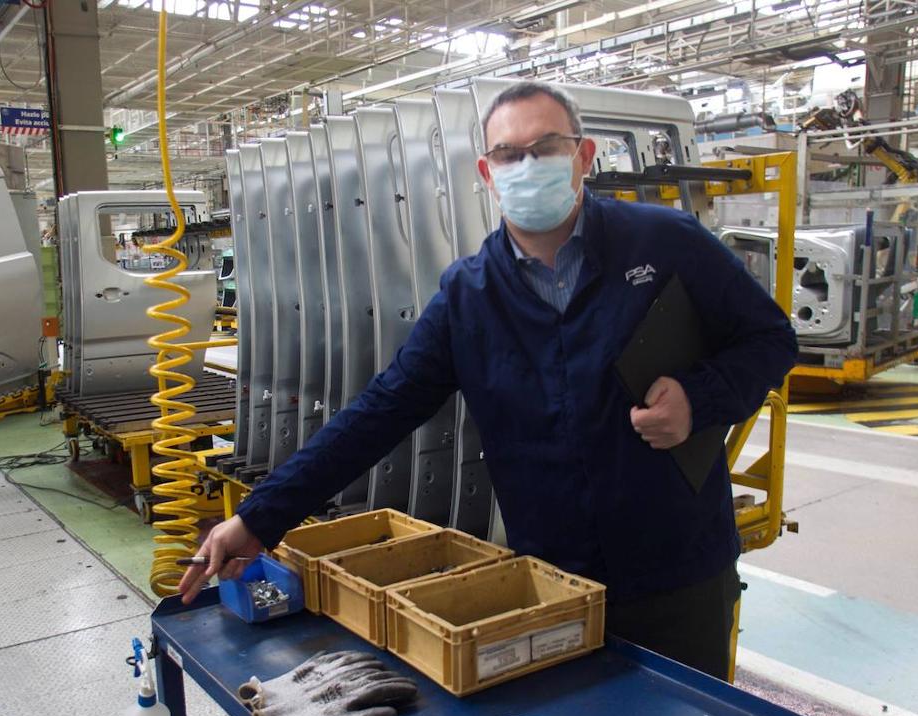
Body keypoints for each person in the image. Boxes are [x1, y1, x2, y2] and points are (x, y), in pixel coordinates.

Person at [178, 80, 797, 681]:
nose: (527, 165)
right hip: (553, 583)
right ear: (486, 171)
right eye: (509, 154)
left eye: (547, 148)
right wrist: (259, 518)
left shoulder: (665, 244)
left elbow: (771, 340)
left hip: (680, 572)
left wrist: (699, 398)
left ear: (583, 156)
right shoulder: (469, 296)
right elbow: (379, 412)